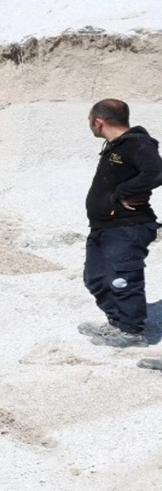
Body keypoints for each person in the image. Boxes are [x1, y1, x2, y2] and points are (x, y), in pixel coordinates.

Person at [77, 99, 162, 348]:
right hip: (104, 227)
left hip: (127, 227)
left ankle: (132, 332)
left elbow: (156, 172)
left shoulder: (137, 143)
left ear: (98, 121)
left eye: (90, 121)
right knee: (96, 278)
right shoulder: (116, 146)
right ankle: (118, 322)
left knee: (122, 278)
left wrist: (122, 192)